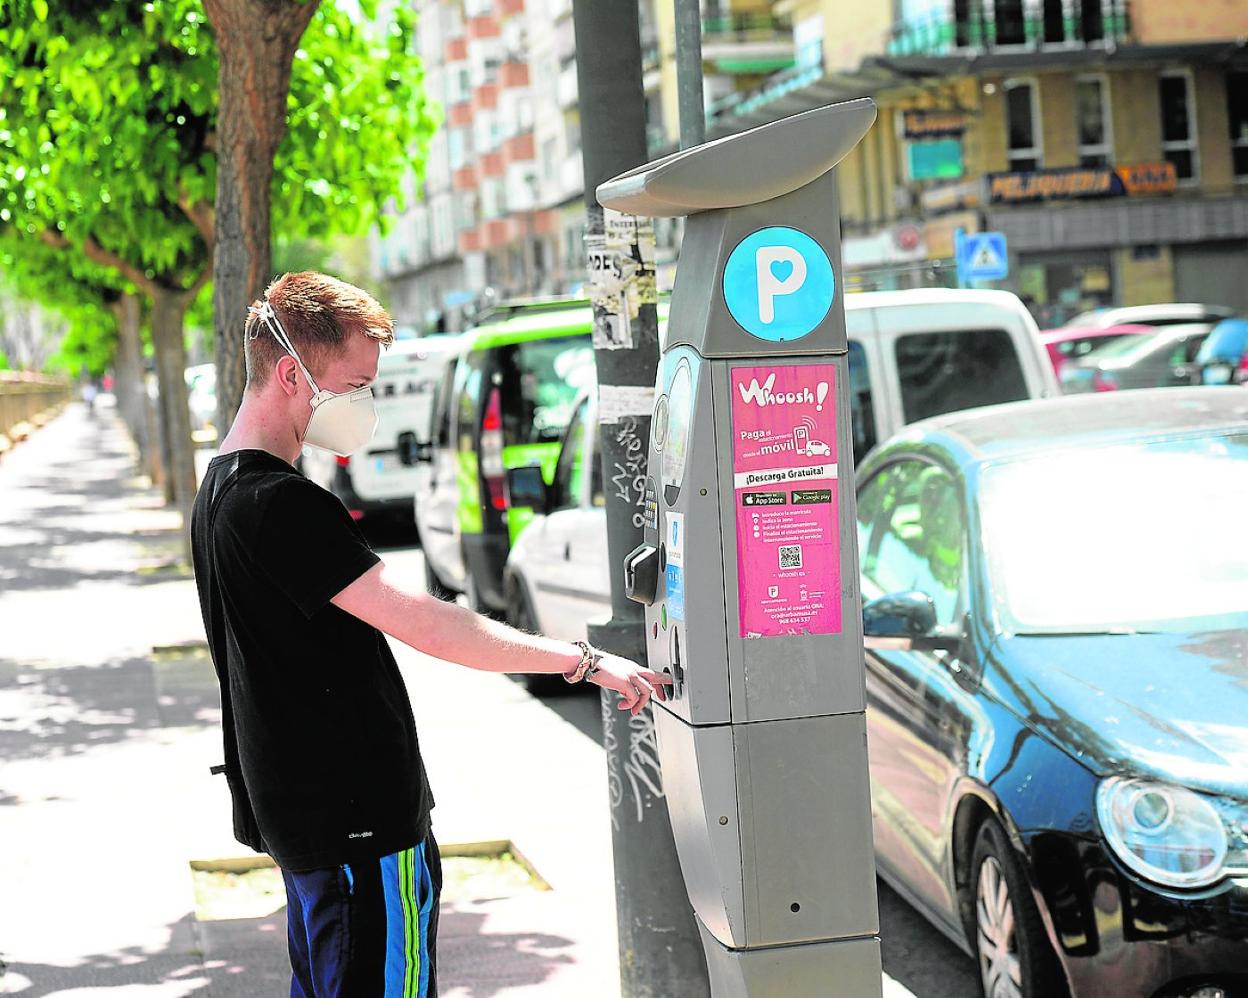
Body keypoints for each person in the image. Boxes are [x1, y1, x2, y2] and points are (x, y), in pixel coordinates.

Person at [189, 272, 669, 998]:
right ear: (291, 373)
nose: (364, 405)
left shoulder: (219, 489)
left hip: (309, 828)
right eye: (354, 385)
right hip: (358, 831)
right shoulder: (278, 504)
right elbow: (428, 623)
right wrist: (580, 659)